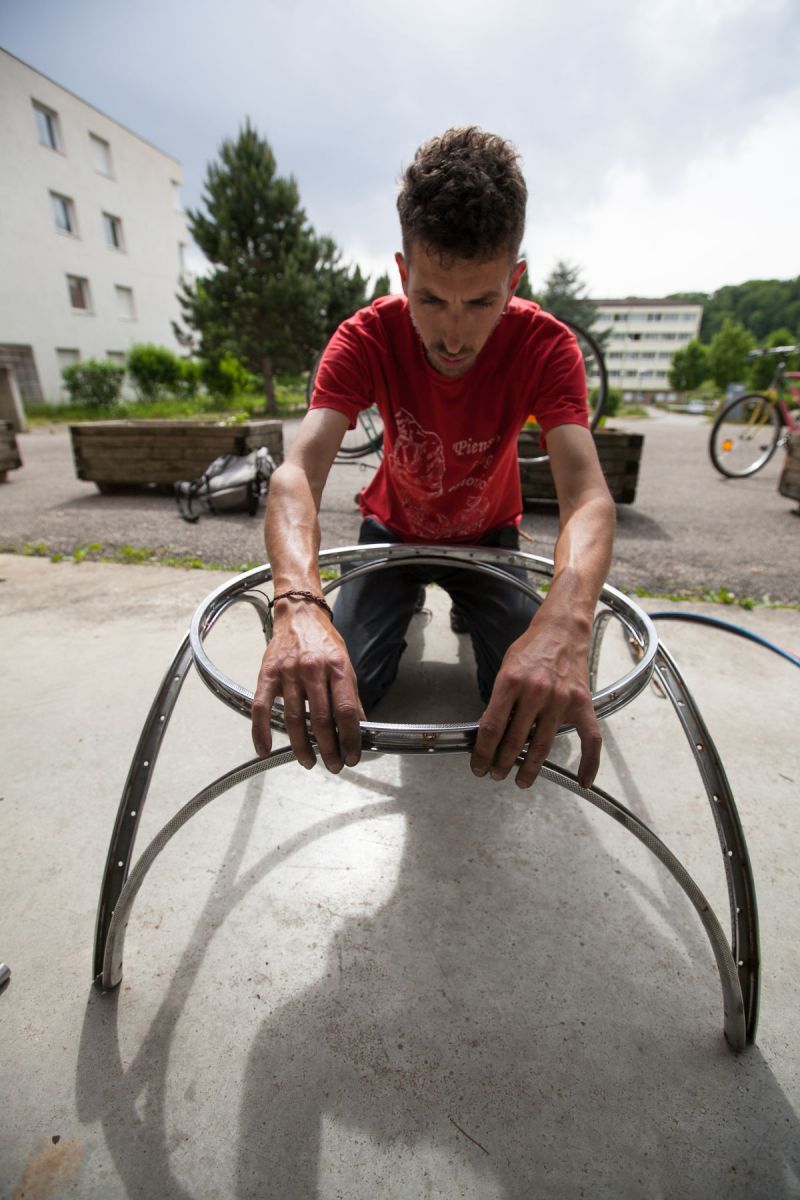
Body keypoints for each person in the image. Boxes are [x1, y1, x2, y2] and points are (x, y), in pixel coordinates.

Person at [251, 126, 616, 790]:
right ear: (403, 273)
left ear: (514, 280)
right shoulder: (365, 337)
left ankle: (469, 606)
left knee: (537, 707)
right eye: (430, 299)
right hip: (390, 529)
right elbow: (295, 473)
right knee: (336, 690)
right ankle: (405, 600)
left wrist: (567, 616)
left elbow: (587, 496)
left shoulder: (546, 346)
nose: (453, 334)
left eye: (480, 302)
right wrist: (298, 602)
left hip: (491, 535)